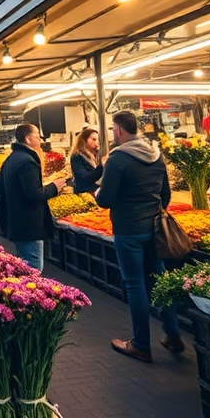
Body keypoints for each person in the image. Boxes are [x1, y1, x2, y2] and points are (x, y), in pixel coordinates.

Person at [97, 111, 183, 361]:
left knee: (135, 284)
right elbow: (165, 195)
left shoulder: (118, 159)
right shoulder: (157, 156)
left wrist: (98, 193)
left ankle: (141, 344)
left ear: (119, 130)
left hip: (128, 230)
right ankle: (173, 334)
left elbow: (106, 199)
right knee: (159, 280)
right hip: (154, 229)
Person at [0, 124, 66, 271]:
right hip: (28, 225)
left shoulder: (11, 159)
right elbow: (34, 194)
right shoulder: (27, 161)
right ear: (28, 138)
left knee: (23, 265)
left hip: (16, 222)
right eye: (38, 136)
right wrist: (54, 186)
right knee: (33, 269)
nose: (41, 140)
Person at [70, 127, 104, 193]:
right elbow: (85, 178)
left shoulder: (96, 154)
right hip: (85, 193)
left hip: (96, 191)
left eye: (98, 140)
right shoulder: (77, 156)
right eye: (94, 139)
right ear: (84, 140)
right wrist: (101, 167)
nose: (97, 142)